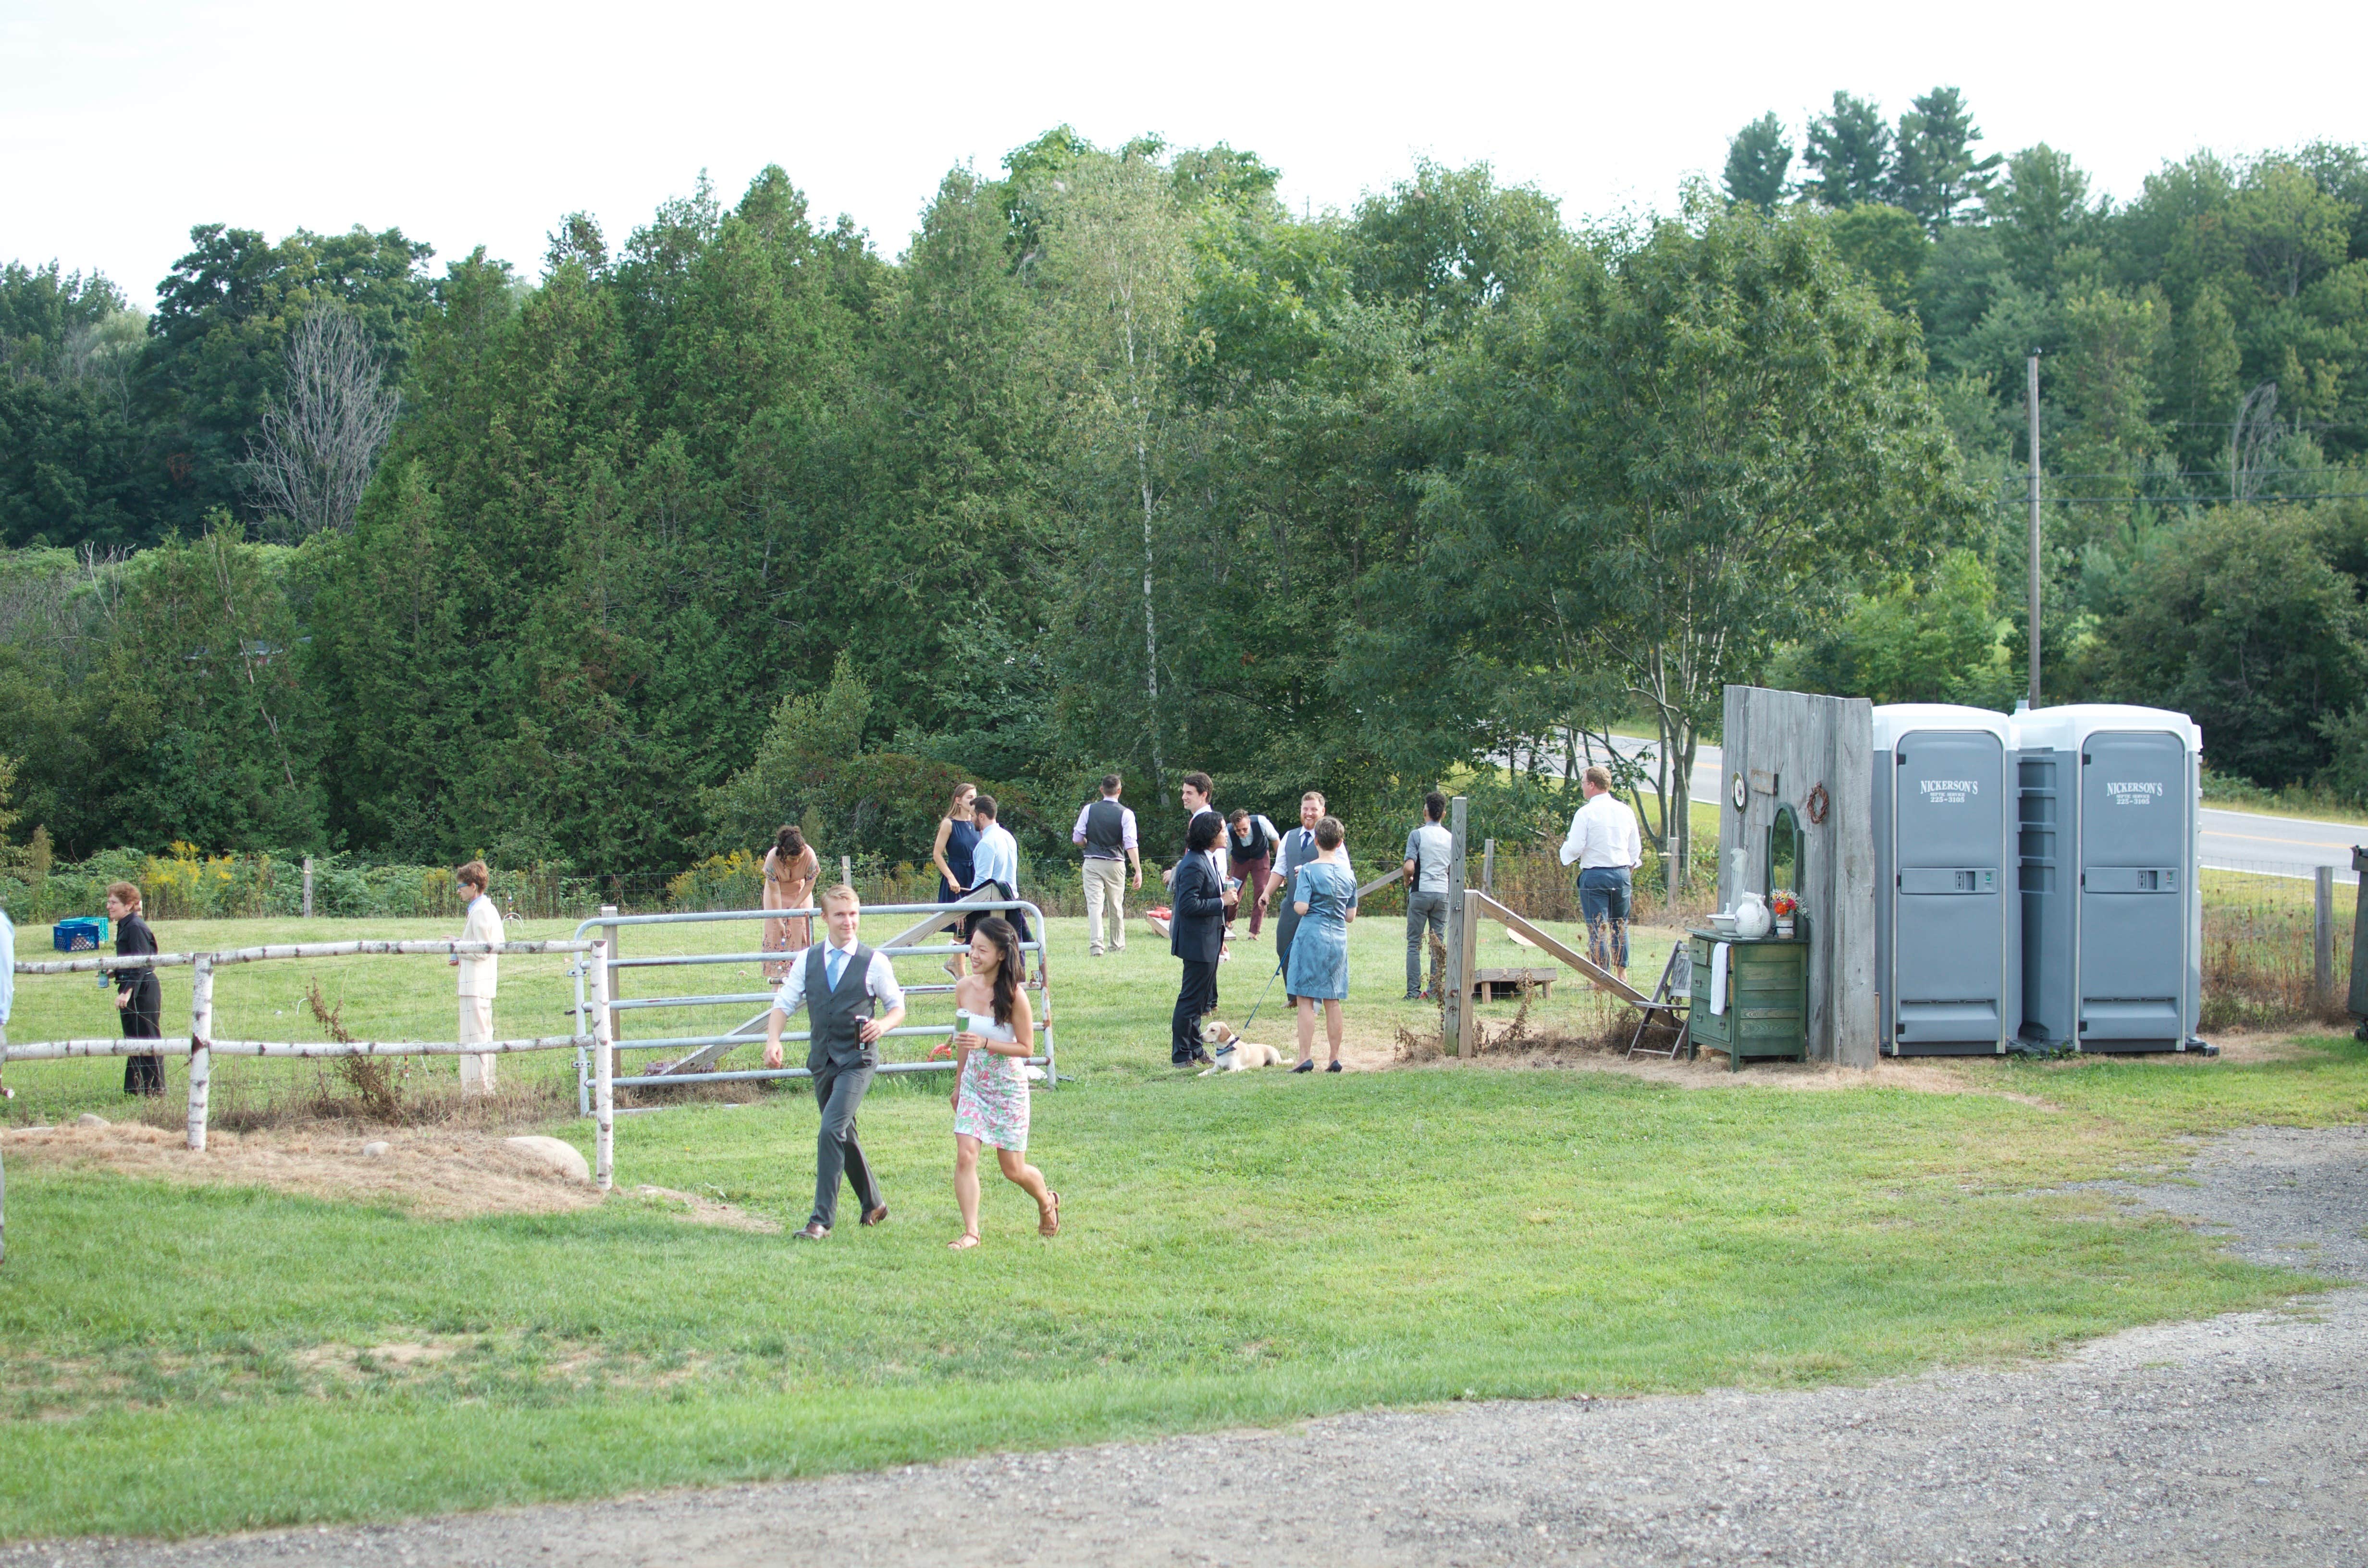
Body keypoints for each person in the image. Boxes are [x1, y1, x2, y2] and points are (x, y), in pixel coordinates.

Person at [765, 885, 907, 1241]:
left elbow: (898, 1008)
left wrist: (882, 1025)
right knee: (844, 1134)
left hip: (858, 1060)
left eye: (855, 914)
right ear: (824, 918)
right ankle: (873, 1203)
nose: (849, 922)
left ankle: (821, 1221)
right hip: (823, 1061)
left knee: (830, 1130)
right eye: (841, 915)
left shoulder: (874, 962)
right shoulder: (808, 960)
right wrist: (773, 1040)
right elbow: (784, 1003)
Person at [947, 915, 1059, 1249]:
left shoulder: (1014, 996)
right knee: (966, 1155)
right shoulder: (963, 988)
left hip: (1008, 1088)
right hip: (974, 1084)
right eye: (972, 948)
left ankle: (1046, 1201)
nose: (974, 954)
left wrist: (986, 1043)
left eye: (982, 949)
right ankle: (971, 1233)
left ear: (1000, 955)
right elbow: (964, 1039)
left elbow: (1026, 1048)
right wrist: (957, 1084)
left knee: (1013, 1169)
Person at [1559, 764, 1644, 980]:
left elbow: (1576, 846)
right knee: (1620, 925)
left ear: (1592, 785)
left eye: (1583, 783)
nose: (1582, 787)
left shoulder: (1586, 813)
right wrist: (1629, 868)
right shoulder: (1625, 811)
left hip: (1595, 875)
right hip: (1622, 873)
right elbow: (1635, 847)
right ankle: (1621, 974)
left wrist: (1565, 854)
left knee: (1598, 928)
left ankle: (1601, 978)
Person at [1287, 816, 1358, 1073]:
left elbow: (1302, 907)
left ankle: (1305, 1057)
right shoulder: (1349, 874)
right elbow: (1350, 916)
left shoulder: (1308, 870)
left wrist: (1298, 897)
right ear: (1340, 843)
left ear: (1316, 841)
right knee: (1333, 998)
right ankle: (1334, 1057)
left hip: (1312, 935)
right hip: (1338, 936)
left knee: (1305, 998)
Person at [1270, 792, 1357, 1005]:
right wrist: (1265, 894)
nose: (1309, 813)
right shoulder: (1289, 837)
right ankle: (1294, 996)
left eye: (1314, 810)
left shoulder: (1334, 841)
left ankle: (1317, 997)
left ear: (1323, 812)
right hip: (1293, 903)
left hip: (1319, 909)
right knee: (1284, 946)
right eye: (1305, 809)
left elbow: (1344, 872)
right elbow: (1280, 869)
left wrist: (1315, 872)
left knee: (1316, 952)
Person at [1168, 811, 1237, 1066]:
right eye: (1222, 830)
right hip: (1196, 942)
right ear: (1209, 836)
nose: (1226, 834)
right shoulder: (1194, 863)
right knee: (1190, 1001)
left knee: (1199, 1002)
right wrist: (1222, 901)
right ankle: (1181, 1055)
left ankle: (1196, 1050)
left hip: (1209, 939)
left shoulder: (1207, 859)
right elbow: (1188, 905)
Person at [448, 861, 504, 1096]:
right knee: (481, 1036)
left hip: (476, 986)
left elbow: (484, 950)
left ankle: (477, 1092)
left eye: (461, 886)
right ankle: (482, 1088)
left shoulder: (481, 911)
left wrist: (458, 947)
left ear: (473, 886)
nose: (459, 891)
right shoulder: (485, 909)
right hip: (481, 985)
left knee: (475, 1039)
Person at [1071, 773, 1141, 957]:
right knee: (1116, 906)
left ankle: (1096, 947)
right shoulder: (1126, 814)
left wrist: (1087, 843)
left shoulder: (1089, 810)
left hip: (1092, 862)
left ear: (1102, 790)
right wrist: (1138, 870)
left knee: (1095, 906)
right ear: (1119, 791)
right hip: (1115, 863)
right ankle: (1117, 945)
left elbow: (1077, 838)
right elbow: (1130, 844)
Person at [105, 882, 162, 1095]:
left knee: (148, 1038)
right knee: (133, 1038)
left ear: (129, 905)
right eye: (109, 902)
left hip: (144, 990)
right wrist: (116, 972)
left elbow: (141, 962)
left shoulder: (135, 927)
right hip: (133, 985)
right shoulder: (125, 925)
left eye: (114, 903)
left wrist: (126, 991)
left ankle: (155, 1090)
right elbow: (131, 961)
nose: (109, 907)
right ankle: (135, 1089)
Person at [1402, 791, 1454, 1000]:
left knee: (1414, 943)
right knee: (1437, 944)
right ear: (1444, 814)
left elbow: (1409, 866)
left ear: (1425, 812)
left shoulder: (1417, 835)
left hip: (1421, 892)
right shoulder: (1451, 838)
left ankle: (1413, 992)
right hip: (1442, 893)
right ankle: (1434, 992)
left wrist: (1407, 881)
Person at [964, 795, 1032, 944]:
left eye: (972, 815)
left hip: (993, 908)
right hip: (1011, 903)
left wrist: (963, 909)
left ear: (981, 816)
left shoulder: (986, 843)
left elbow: (982, 882)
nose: (970, 819)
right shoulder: (1008, 837)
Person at [930, 783, 981, 977]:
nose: (973, 801)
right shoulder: (949, 823)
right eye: (969, 797)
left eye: (975, 797)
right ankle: (961, 975)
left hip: (976, 877)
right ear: (958, 800)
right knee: (959, 925)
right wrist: (951, 877)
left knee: (975, 925)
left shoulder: (978, 823)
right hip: (957, 878)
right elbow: (937, 854)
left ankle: (954, 962)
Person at [761, 825, 820, 981]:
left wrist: (794, 908)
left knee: (803, 927)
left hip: (800, 891)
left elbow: (809, 884)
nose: (797, 862)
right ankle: (776, 981)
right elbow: (774, 892)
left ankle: (803, 977)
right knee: (777, 931)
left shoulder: (810, 856)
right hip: (777, 891)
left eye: (799, 858)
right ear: (784, 854)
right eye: (793, 859)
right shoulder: (772, 859)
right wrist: (780, 920)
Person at [1225, 807, 1283, 940]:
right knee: (1234, 891)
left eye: (1245, 829)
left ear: (1249, 822)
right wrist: (1224, 874)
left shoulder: (1261, 823)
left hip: (1261, 857)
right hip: (1239, 860)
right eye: (1238, 830)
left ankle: (1254, 932)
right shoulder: (1228, 832)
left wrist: (1281, 866)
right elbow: (1224, 856)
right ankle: (1228, 920)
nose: (1242, 833)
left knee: (1262, 891)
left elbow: (1275, 839)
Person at [1160, 772, 1226, 890]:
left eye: (1189, 793)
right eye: (1184, 792)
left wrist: (1175, 874)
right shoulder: (1199, 820)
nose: (1184, 797)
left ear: (1203, 795)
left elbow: (1202, 865)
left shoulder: (1208, 823)